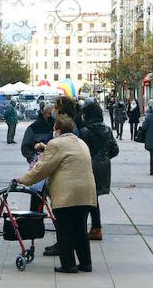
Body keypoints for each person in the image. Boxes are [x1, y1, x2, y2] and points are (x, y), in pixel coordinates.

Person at [15, 114, 97, 273]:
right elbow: (66, 155)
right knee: (80, 229)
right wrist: (46, 148)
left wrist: (22, 180)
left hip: (67, 194)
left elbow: (42, 168)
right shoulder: (80, 142)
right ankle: (86, 263)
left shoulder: (55, 143)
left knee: (64, 229)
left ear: (57, 130)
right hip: (86, 193)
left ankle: (69, 265)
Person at [79, 101, 119, 241]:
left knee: (86, 198)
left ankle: (91, 228)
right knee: (93, 198)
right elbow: (115, 150)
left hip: (88, 167)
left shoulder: (85, 131)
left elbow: (80, 151)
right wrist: (104, 159)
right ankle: (96, 228)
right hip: (103, 167)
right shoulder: (107, 130)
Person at [21, 104, 57, 211]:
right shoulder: (34, 128)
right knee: (37, 199)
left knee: (57, 201)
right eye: (50, 114)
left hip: (54, 168)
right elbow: (25, 147)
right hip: (40, 168)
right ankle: (36, 223)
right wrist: (34, 159)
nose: (52, 116)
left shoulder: (58, 127)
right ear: (45, 114)